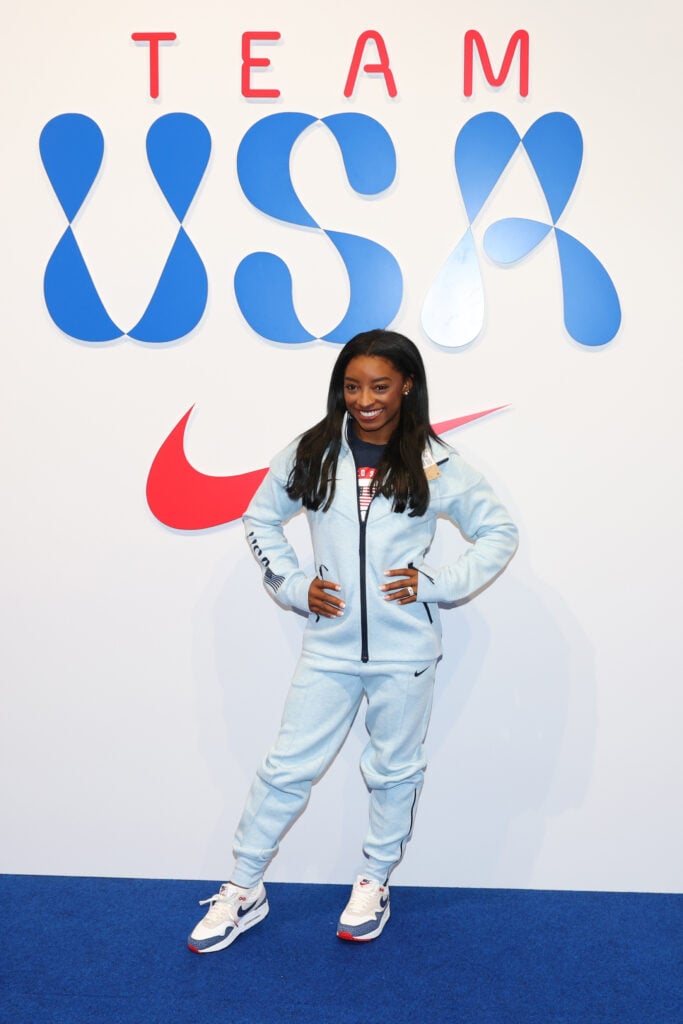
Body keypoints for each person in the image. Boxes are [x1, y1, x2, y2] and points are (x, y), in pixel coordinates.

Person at [188, 329, 518, 953]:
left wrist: (436, 583)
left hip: (406, 655)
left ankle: (373, 880)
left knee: (394, 772)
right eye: (352, 385)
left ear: (408, 387)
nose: (365, 398)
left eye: (380, 386)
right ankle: (242, 888)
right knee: (286, 769)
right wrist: (291, 584)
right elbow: (259, 517)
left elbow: (498, 531)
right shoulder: (309, 452)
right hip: (330, 648)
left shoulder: (438, 462)